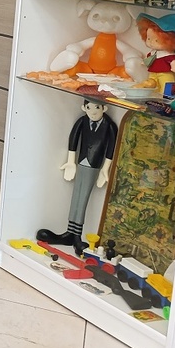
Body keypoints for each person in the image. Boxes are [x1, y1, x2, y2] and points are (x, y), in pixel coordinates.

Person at [36, 100, 117, 255]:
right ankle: (70, 233)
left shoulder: (109, 125)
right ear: (83, 108)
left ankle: (76, 235)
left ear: (104, 108)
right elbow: (73, 139)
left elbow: (111, 148)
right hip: (81, 162)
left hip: (94, 165)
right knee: (76, 197)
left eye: (97, 107)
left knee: (83, 198)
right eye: (89, 107)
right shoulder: (83, 121)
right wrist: (70, 161)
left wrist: (105, 169)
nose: (93, 111)